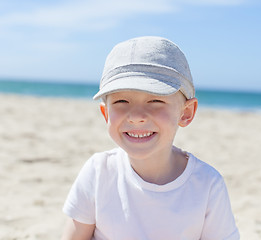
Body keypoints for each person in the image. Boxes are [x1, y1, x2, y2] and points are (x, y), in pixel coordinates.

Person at [61, 36, 240, 240]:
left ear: (186, 112)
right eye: (121, 101)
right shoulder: (99, 172)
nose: (137, 116)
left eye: (155, 100)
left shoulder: (207, 184)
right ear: (106, 114)